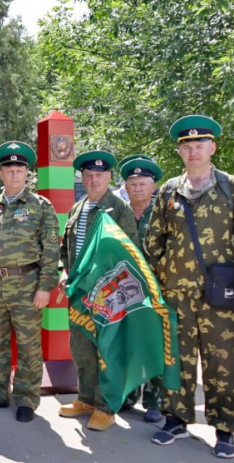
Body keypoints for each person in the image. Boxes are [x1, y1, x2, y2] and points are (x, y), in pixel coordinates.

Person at [146, 115, 234, 459]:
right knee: (177, 359)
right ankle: (175, 418)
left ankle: (225, 427)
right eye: (187, 146)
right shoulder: (169, 190)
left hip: (221, 294)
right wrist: (158, 281)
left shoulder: (229, 188)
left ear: (212, 148)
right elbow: (155, 239)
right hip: (177, 292)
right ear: (180, 151)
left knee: (222, 361)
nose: (193, 150)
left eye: (200, 145)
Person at [0, 141, 60, 423]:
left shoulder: (41, 207)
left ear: (26, 173)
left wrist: (45, 287)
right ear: (1, 173)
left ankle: (25, 398)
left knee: (28, 345)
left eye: (19, 168)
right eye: (9, 168)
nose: (14, 173)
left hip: (27, 285)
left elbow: (51, 251)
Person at [57, 150, 139, 431]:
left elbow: (130, 254)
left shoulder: (119, 209)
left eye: (99, 175)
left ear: (109, 177)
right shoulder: (77, 207)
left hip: (107, 295)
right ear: (82, 177)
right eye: (88, 175)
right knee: (81, 348)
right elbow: (65, 249)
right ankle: (86, 399)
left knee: (106, 352)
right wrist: (64, 272)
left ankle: (105, 407)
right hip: (79, 292)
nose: (93, 179)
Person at [119, 155, 166, 423]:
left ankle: (154, 401)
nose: (137, 188)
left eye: (143, 183)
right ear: (125, 187)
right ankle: (129, 394)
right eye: (133, 183)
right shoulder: (118, 213)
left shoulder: (164, 212)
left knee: (153, 344)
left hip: (156, 290)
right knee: (128, 343)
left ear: (153, 186)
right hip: (125, 291)